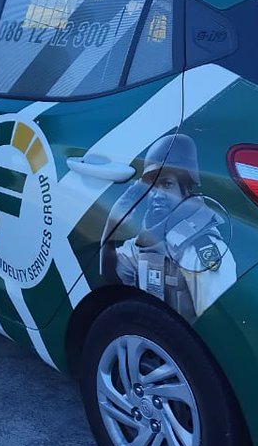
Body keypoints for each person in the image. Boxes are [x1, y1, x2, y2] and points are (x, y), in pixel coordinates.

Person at [99, 133, 237, 324]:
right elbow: (110, 276)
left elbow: (219, 325)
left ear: (186, 189)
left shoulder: (202, 251)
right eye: (152, 187)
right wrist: (112, 223)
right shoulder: (144, 244)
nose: (157, 195)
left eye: (166, 184)